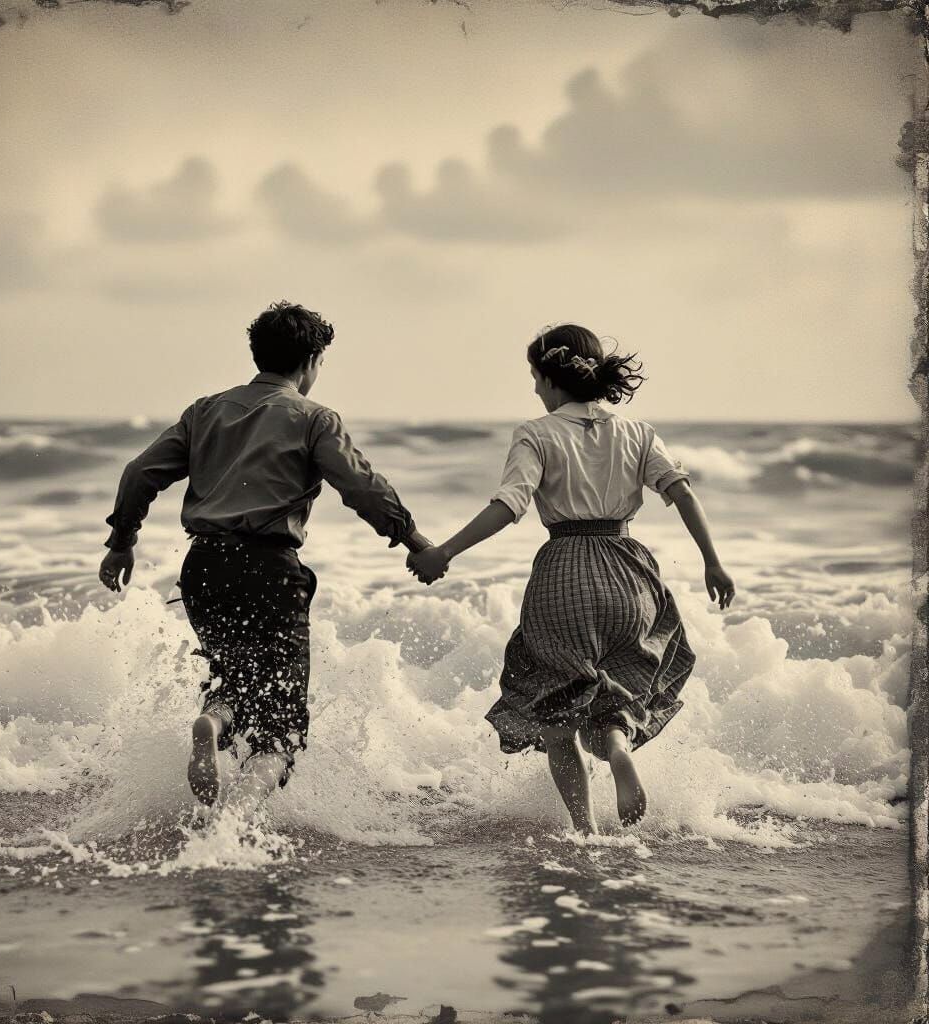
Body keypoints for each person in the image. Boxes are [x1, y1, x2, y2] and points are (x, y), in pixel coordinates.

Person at [99, 301, 432, 809]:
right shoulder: (314, 418)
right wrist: (412, 539)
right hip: (270, 569)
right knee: (282, 729)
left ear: (257, 354)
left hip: (204, 567)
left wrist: (122, 543)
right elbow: (362, 487)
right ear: (312, 361)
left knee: (234, 677)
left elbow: (138, 473)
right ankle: (238, 822)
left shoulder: (205, 411)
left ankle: (212, 721)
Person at [408, 324, 734, 833]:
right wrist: (713, 562)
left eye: (536, 379)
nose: (536, 390)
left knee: (558, 717)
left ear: (554, 380)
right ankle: (619, 748)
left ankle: (585, 831)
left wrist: (445, 550)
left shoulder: (536, 432)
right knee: (616, 693)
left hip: (564, 575)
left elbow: (510, 504)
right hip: (630, 575)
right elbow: (684, 494)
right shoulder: (638, 432)